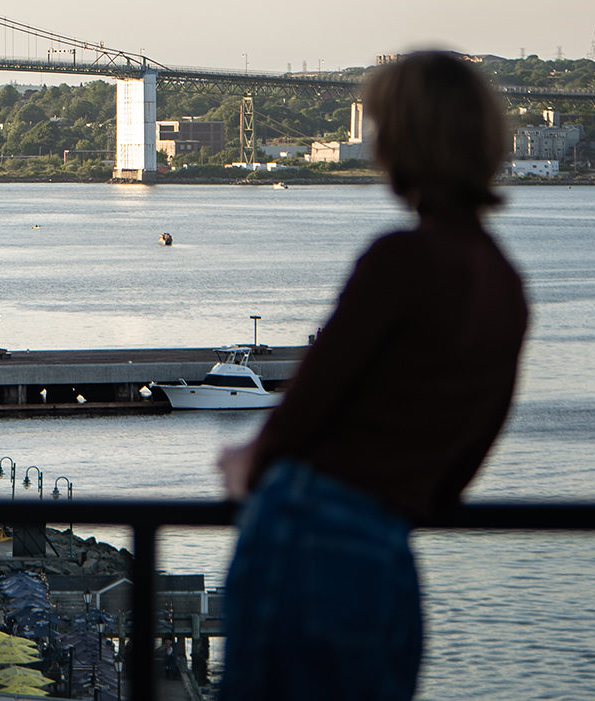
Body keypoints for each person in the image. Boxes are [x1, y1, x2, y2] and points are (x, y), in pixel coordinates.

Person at [215, 50, 529, 700]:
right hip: (389, 561)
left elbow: (312, 394)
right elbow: (463, 465)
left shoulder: (401, 259)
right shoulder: (506, 287)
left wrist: (253, 458)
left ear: (405, 141)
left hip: (304, 536)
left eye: (381, 124)